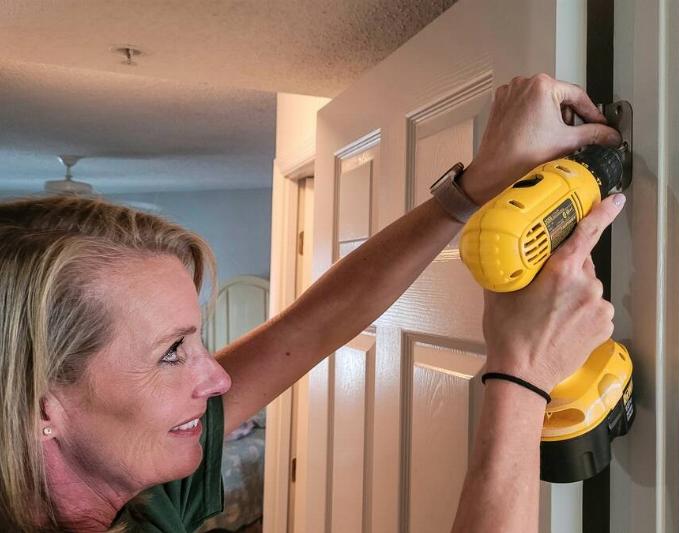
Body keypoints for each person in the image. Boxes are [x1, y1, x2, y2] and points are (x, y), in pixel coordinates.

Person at [0, 73, 623, 532]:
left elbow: (309, 328)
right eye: (171, 354)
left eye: (194, 339)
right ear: (40, 406)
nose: (216, 375)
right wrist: (521, 376)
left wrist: (472, 188)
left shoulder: (139, 487)